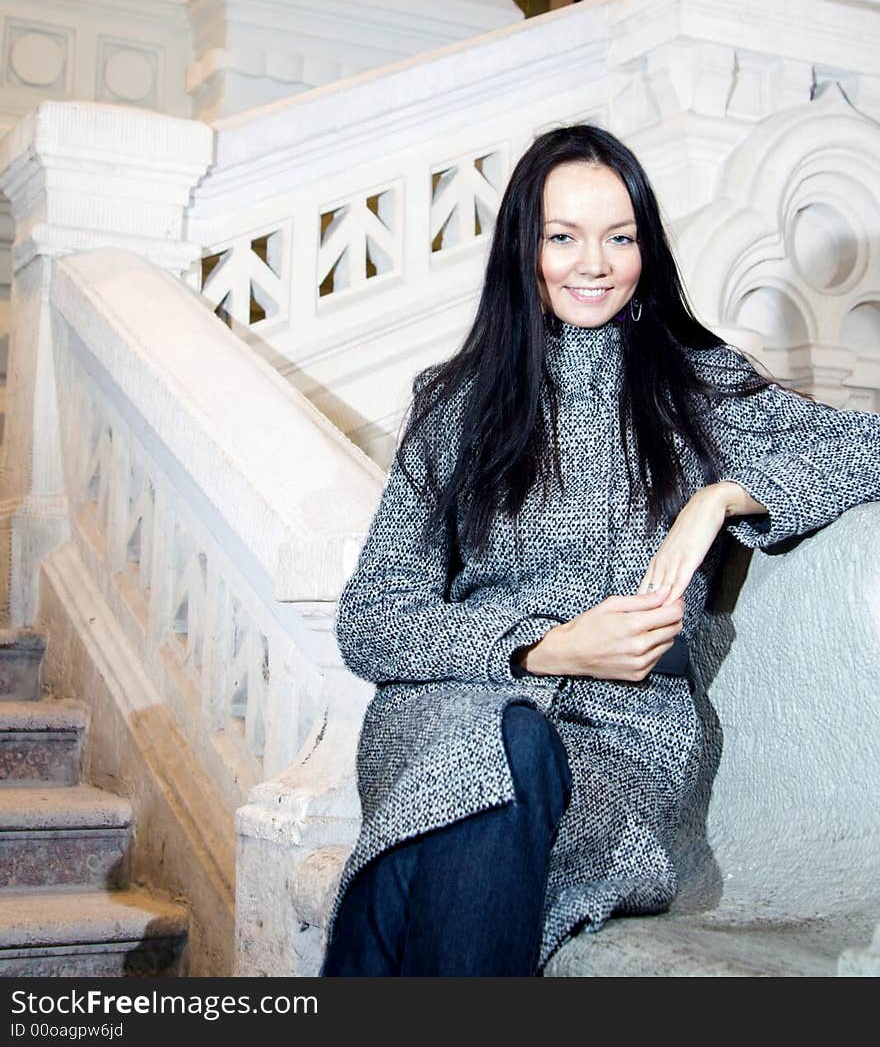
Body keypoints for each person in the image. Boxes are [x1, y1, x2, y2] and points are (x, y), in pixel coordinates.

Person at [320, 123, 880, 977]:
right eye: (563, 237)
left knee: (428, 854)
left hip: (624, 741)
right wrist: (543, 648)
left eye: (620, 238)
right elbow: (372, 620)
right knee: (494, 754)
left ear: (645, 249)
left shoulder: (699, 384)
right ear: (525, 249)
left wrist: (723, 496)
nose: (594, 263)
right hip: (455, 707)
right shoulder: (456, 405)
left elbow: (866, 445)